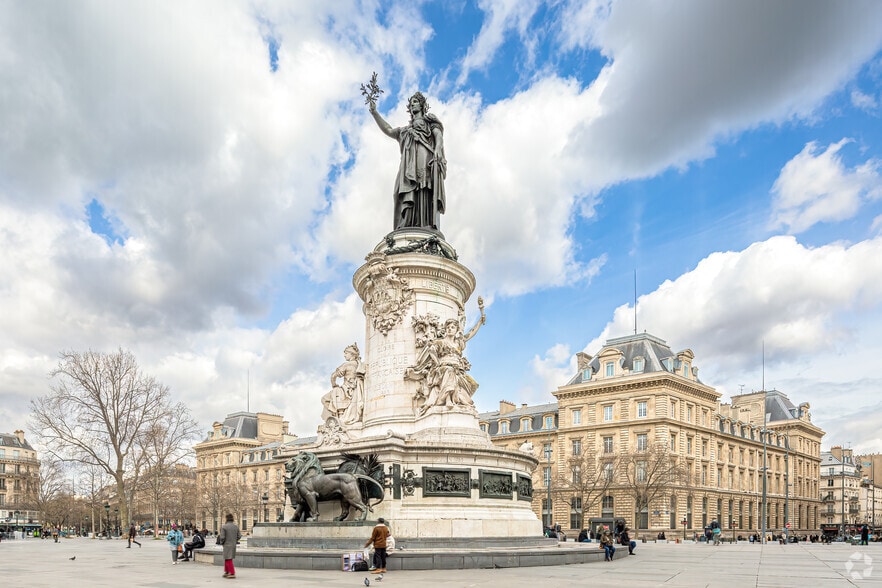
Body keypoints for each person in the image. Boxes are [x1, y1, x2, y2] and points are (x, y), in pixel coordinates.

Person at [369, 91, 446, 232]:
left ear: (422, 105)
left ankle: (424, 224)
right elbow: (388, 130)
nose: (412, 105)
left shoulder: (429, 122)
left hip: (424, 156)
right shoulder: (404, 131)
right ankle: (406, 223)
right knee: (398, 192)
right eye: (411, 103)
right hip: (407, 165)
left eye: (415, 102)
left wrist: (438, 149)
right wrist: (375, 113)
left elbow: (438, 136)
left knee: (423, 186)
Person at [219, 514, 241, 579]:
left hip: (226, 544)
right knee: (227, 558)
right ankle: (226, 571)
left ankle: (232, 572)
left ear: (226, 519)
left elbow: (222, 537)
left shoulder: (224, 527)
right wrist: (235, 540)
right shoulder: (236, 527)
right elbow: (239, 536)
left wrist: (222, 542)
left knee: (228, 559)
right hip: (233, 544)